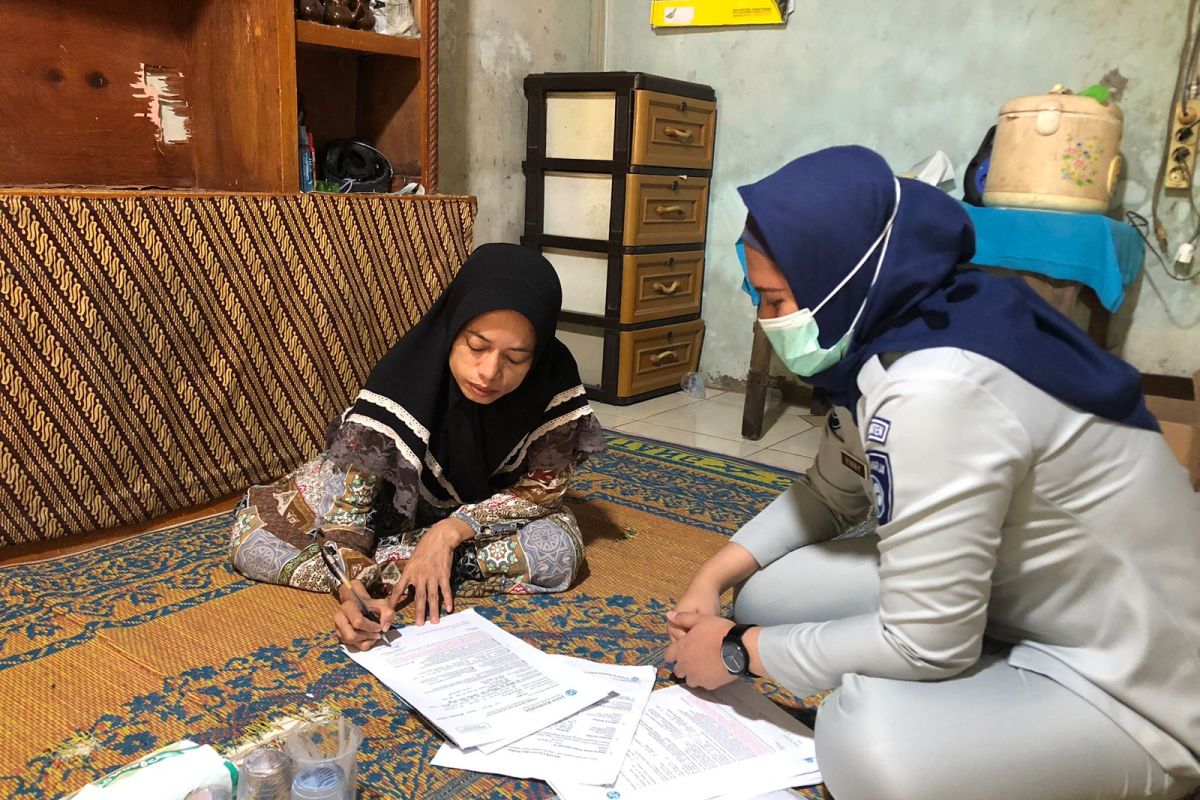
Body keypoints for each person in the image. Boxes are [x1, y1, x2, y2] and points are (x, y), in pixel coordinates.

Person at [665, 146, 1200, 800]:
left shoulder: (934, 389)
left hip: (1132, 686)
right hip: (1016, 607)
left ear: (841, 278)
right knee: (765, 595)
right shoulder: (908, 319)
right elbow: (827, 495)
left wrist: (737, 653)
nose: (767, 321)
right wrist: (711, 578)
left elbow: (927, 643)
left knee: (866, 741)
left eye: (775, 300)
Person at [230, 244, 604, 648]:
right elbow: (350, 516)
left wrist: (448, 533)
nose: (490, 371)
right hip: (385, 511)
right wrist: (351, 591)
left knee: (559, 552)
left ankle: (412, 562)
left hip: (479, 515)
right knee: (254, 538)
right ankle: (411, 568)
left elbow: (544, 490)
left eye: (516, 358)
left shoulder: (553, 378)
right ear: (454, 324)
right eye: (477, 346)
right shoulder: (402, 379)